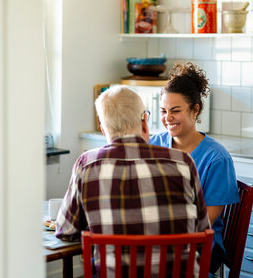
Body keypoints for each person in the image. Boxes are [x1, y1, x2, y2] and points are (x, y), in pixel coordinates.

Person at [55, 85, 210, 276]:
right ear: (145, 122)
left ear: (104, 130)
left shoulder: (87, 164)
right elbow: (203, 230)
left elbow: (66, 231)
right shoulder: (183, 162)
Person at [149, 62, 239, 274]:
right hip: (158, 238)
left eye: (176, 110)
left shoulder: (217, 158)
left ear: (195, 110)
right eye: (163, 111)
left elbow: (206, 220)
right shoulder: (153, 145)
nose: (167, 118)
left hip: (201, 245)